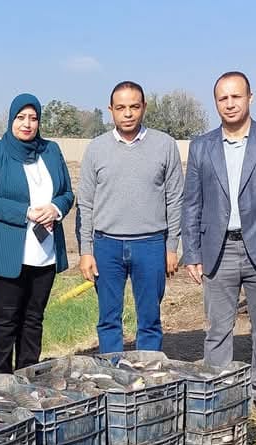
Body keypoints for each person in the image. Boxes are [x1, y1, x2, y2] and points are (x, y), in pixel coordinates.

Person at [181, 71, 256, 420]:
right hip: (217, 250)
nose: (230, 104)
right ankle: (219, 392)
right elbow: (192, 203)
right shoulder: (202, 146)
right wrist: (192, 251)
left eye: (236, 97)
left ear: (250, 97)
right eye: (223, 98)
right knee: (218, 328)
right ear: (216, 102)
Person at [77, 81, 184, 353]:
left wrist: (172, 247)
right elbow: (86, 203)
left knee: (149, 319)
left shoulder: (164, 145)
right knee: (108, 319)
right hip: (106, 245)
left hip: (150, 244)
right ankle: (113, 378)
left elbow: (175, 199)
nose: (128, 114)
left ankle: (148, 380)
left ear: (144, 108)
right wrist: (86, 251)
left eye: (134, 107)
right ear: (111, 110)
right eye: (121, 108)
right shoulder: (97, 148)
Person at [0, 93, 74, 373]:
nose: (27, 124)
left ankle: (28, 378)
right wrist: (27, 212)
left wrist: (55, 207)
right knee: (5, 320)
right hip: (5, 251)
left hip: (44, 253)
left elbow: (66, 192)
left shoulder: (51, 151)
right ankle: (0, 381)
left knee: (33, 319)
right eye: (21, 118)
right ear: (11, 119)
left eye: (33, 118)